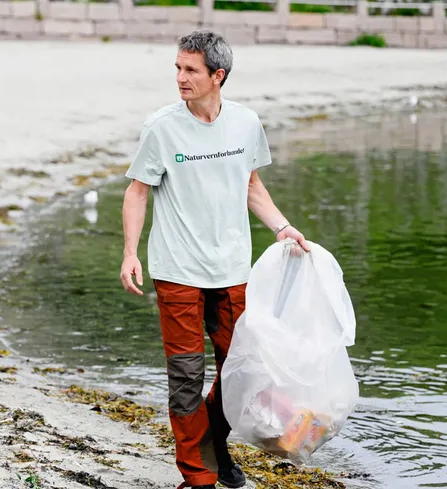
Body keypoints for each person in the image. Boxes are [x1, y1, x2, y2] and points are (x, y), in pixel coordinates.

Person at [119, 30, 309, 489]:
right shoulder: (161, 127)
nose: (180, 78)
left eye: (191, 70)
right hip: (177, 273)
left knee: (243, 371)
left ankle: (214, 446)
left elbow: (251, 186)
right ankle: (199, 476)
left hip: (233, 271)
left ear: (217, 76)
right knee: (186, 377)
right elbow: (137, 191)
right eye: (178, 68)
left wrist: (283, 227)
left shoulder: (245, 123)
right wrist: (130, 252)